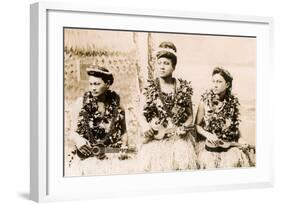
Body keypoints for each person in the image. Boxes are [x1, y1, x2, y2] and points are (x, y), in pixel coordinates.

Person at [137, 41, 198, 172]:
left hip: (177, 136)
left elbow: (190, 116)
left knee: (180, 163)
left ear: (174, 66)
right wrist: (146, 126)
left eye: (166, 63)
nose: (162, 67)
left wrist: (184, 127)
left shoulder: (182, 88)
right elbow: (141, 113)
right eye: (159, 63)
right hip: (156, 136)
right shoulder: (149, 87)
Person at [65, 66, 133, 176]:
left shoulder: (117, 105)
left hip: (111, 156)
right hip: (88, 157)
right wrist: (78, 139)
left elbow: (124, 132)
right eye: (91, 84)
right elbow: (72, 133)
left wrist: (124, 146)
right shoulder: (80, 103)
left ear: (108, 84)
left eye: (97, 84)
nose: (93, 88)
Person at [195, 67, 255, 169]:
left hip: (227, 143)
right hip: (210, 145)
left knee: (233, 161)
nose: (215, 84)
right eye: (213, 81)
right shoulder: (205, 101)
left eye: (219, 81)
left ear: (227, 84)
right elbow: (196, 126)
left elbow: (234, 127)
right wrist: (208, 135)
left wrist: (241, 139)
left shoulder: (232, 103)